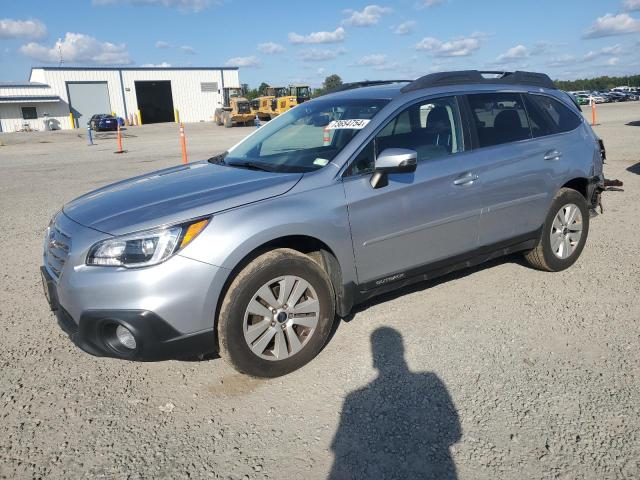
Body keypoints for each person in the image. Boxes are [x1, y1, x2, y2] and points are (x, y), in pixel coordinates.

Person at [330, 327, 461, 480]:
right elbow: (454, 434)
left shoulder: (353, 399)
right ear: (403, 350)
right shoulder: (430, 379)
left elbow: (341, 453)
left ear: (374, 358)